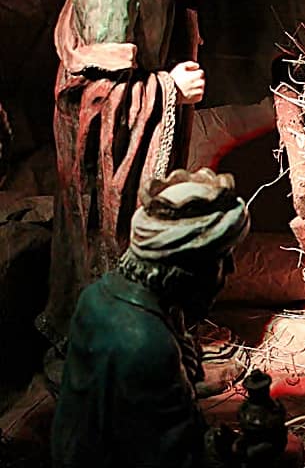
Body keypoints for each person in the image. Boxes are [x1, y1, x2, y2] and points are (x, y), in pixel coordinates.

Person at [37, 0, 205, 348]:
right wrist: (168, 88)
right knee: (112, 250)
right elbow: (97, 98)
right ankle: (111, 351)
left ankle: (153, 339)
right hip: (105, 164)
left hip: (137, 146)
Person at [51, 168, 251, 467]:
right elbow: (173, 458)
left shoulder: (97, 295)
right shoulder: (146, 345)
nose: (231, 270)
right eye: (221, 259)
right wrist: (232, 450)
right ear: (184, 268)